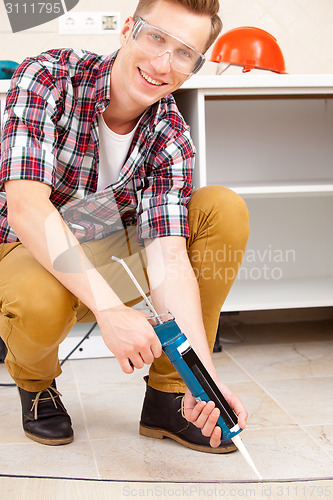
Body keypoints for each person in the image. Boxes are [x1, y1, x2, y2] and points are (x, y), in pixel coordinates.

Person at [0, 0, 250, 452]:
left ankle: (170, 397)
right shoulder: (48, 76)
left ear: (194, 67)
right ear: (129, 30)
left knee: (221, 208)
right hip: (23, 247)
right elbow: (27, 209)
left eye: (183, 53)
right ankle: (36, 383)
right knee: (37, 298)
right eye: (156, 37)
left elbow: (170, 258)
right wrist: (111, 310)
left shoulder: (171, 136)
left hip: (105, 246)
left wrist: (205, 383)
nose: (161, 64)